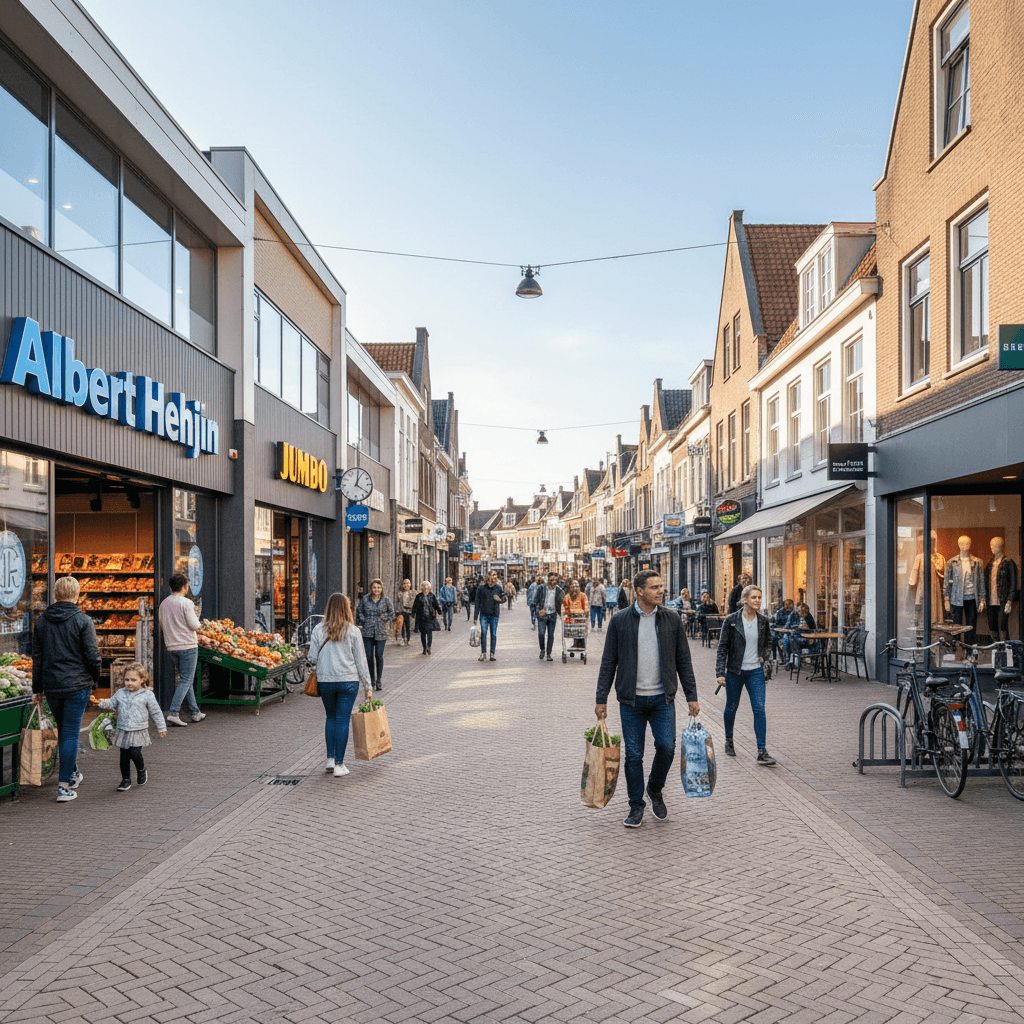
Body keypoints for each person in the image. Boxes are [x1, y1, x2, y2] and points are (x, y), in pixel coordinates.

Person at [595, 570, 700, 828]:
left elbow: (683, 661)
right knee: (634, 755)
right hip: (631, 701)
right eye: (654, 587)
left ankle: (654, 789)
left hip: (662, 699)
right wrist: (601, 698)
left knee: (667, 747)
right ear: (640, 591)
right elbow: (609, 662)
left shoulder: (672, 620)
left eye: (660, 586)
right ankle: (636, 806)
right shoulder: (619, 621)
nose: (660, 591)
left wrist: (692, 697)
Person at [32, 575, 102, 803]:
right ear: (77, 594)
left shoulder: (42, 621)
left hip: (52, 685)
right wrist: (95, 678)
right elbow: (93, 656)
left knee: (64, 730)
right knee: (70, 732)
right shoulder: (83, 621)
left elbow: (38, 658)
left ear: (55, 594)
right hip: (77, 684)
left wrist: (37, 689)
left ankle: (72, 773)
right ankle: (64, 787)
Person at [308, 593, 372, 777]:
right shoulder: (353, 631)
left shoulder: (318, 630)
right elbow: (361, 661)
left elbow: (312, 657)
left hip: (325, 681)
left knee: (331, 717)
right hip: (348, 681)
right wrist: (368, 685)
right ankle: (339, 764)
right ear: (346, 608)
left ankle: (329, 759)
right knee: (343, 720)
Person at [716, 584, 775, 765]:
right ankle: (729, 740)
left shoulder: (763, 621)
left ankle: (762, 751)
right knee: (731, 707)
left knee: (759, 709)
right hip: (735, 671)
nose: (757, 601)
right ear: (744, 599)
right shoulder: (732, 620)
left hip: (755, 671)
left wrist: (764, 659)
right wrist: (720, 672)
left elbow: (767, 644)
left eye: (759, 597)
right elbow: (722, 647)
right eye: (754, 597)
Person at [95, 663, 167, 791]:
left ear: (142, 680)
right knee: (124, 755)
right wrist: (100, 702)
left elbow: (156, 712)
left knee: (135, 752)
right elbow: (112, 704)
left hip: (139, 730)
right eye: (127, 679)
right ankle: (126, 779)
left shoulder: (147, 695)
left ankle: (141, 769)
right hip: (123, 729)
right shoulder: (120, 693)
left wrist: (162, 727)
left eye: (133, 680)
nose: (129, 683)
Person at [159, 573, 206, 727]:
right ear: (185, 587)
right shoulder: (186, 603)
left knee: (186, 680)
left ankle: (195, 712)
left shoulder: (164, 604)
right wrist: (198, 620)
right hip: (187, 646)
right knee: (186, 680)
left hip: (171, 646)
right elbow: (194, 625)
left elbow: (162, 624)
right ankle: (173, 712)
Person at [356, 578, 394, 691]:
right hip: (367, 632)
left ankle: (379, 680)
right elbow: (359, 612)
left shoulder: (386, 600)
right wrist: (364, 620)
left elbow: (391, 613)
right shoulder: (365, 599)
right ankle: (372, 680)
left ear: (381, 588)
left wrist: (384, 618)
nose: (376, 589)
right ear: (371, 589)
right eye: (374, 587)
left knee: (378, 655)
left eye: (378, 587)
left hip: (381, 632)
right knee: (368, 657)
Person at [533, 572, 567, 661]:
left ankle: (549, 653)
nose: (553, 582)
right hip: (542, 615)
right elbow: (535, 601)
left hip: (552, 615)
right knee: (541, 633)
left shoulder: (559, 590)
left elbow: (563, 602)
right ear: (548, 579)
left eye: (555, 580)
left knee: (551, 635)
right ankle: (542, 649)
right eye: (551, 579)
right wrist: (538, 612)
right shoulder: (541, 588)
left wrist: (563, 613)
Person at [473, 570, 506, 661]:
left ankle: (492, 653)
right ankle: (483, 653)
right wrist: (475, 616)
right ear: (488, 578)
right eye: (491, 579)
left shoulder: (498, 588)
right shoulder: (481, 588)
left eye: (494, 579)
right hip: (483, 614)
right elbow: (477, 602)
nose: (492, 581)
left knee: (493, 634)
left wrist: (500, 599)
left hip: (494, 615)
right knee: (483, 633)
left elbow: (504, 598)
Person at [412, 580, 442, 654]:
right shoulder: (418, 596)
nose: (425, 589)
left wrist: (439, 610)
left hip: (430, 617)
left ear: (429, 588)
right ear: (422, 588)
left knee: (429, 633)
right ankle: (424, 648)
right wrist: (413, 613)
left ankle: (429, 647)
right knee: (422, 634)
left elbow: (436, 604)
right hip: (421, 617)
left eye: (426, 587)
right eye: (424, 587)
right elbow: (415, 606)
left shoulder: (432, 595)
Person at [562, 579, 588, 650]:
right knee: (574, 626)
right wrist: (570, 612)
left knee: (579, 625)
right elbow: (564, 608)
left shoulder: (583, 595)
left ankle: (579, 643)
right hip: (571, 620)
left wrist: (574, 611)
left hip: (580, 619)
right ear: (570, 587)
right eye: (573, 586)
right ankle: (577, 643)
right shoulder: (567, 597)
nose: (575, 588)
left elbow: (586, 608)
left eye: (577, 586)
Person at [396, 579, 415, 645]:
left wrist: (407, 606)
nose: (406, 585)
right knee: (402, 626)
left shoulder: (412, 593)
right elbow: (397, 602)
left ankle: (408, 639)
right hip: (401, 611)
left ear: (410, 584)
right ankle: (403, 639)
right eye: (404, 583)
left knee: (408, 625)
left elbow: (413, 602)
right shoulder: (400, 593)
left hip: (408, 611)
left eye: (408, 583)